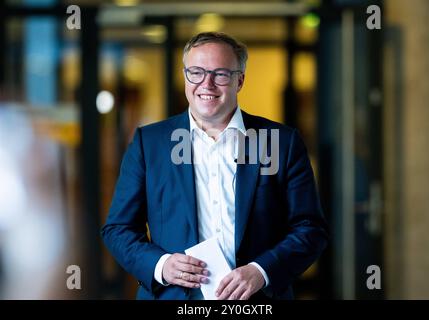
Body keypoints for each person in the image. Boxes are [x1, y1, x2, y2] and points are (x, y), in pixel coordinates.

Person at [101, 32, 328, 300]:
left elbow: (310, 229)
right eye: (195, 72)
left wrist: (261, 271)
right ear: (185, 76)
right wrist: (161, 265)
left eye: (220, 74)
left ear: (239, 80)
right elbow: (118, 229)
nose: (206, 84)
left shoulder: (280, 142)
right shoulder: (149, 144)